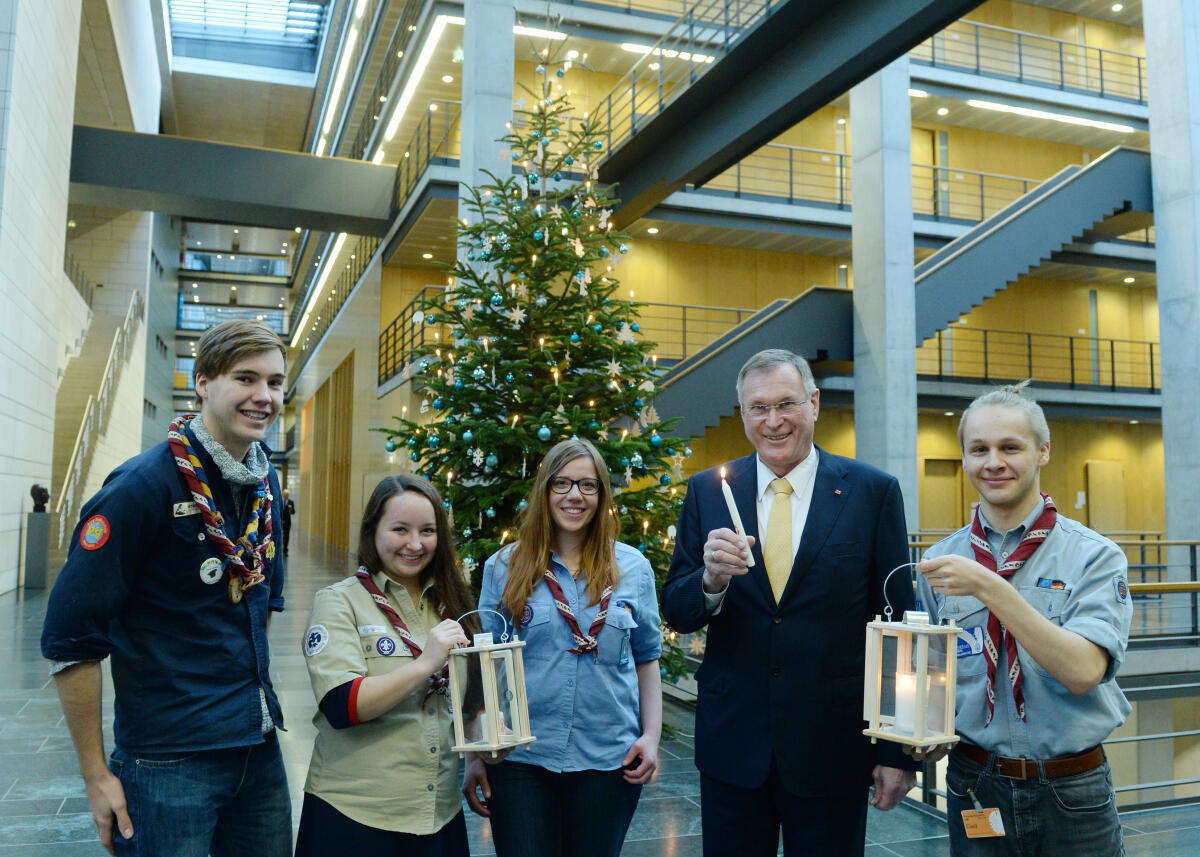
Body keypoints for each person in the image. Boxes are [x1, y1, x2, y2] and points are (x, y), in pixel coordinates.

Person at [41, 319, 291, 857]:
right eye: (245, 378)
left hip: (257, 747)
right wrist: (95, 775)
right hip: (169, 760)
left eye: (274, 382)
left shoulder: (266, 485)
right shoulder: (140, 488)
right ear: (203, 382)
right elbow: (70, 640)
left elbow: (263, 599)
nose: (263, 396)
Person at [661, 348, 919, 857]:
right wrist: (710, 581)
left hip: (833, 747)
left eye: (786, 404)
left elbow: (899, 628)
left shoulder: (872, 492)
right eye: (758, 408)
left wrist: (898, 750)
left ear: (814, 404)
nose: (773, 421)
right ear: (743, 415)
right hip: (734, 746)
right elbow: (676, 607)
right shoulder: (708, 492)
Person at [915, 382, 1131, 856]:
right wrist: (924, 730)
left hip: (1072, 790)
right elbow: (933, 673)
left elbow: (1082, 673)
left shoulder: (1095, 557)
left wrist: (991, 589)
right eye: (979, 449)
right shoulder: (941, 562)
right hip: (975, 782)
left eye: (1010, 447)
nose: (993, 462)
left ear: (1043, 451)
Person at [462, 438, 663, 857]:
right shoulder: (504, 567)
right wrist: (474, 755)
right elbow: (484, 666)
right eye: (563, 483)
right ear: (545, 491)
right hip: (520, 760)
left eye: (588, 485)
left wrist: (651, 735)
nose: (575, 495)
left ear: (602, 494)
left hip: (608, 759)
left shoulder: (633, 569)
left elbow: (646, 658)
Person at [295, 473, 476, 857]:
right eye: (400, 529)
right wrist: (425, 662)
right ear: (372, 531)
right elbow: (342, 705)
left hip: (438, 814)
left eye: (427, 530)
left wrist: (484, 745)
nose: (415, 544)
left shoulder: (450, 604)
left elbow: (464, 701)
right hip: (358, 818)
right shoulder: (340, 602)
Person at [282, 489, 294, 555]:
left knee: (286, 535)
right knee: (281, 535)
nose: (286, 495)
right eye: (285, 494)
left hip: (287, 521)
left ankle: (285, 549)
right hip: (281, 520)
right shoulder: (280, 501)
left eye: (287, 494)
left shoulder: (291, 502)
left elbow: (293, 512)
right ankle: (280, 548)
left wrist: (291, 510)